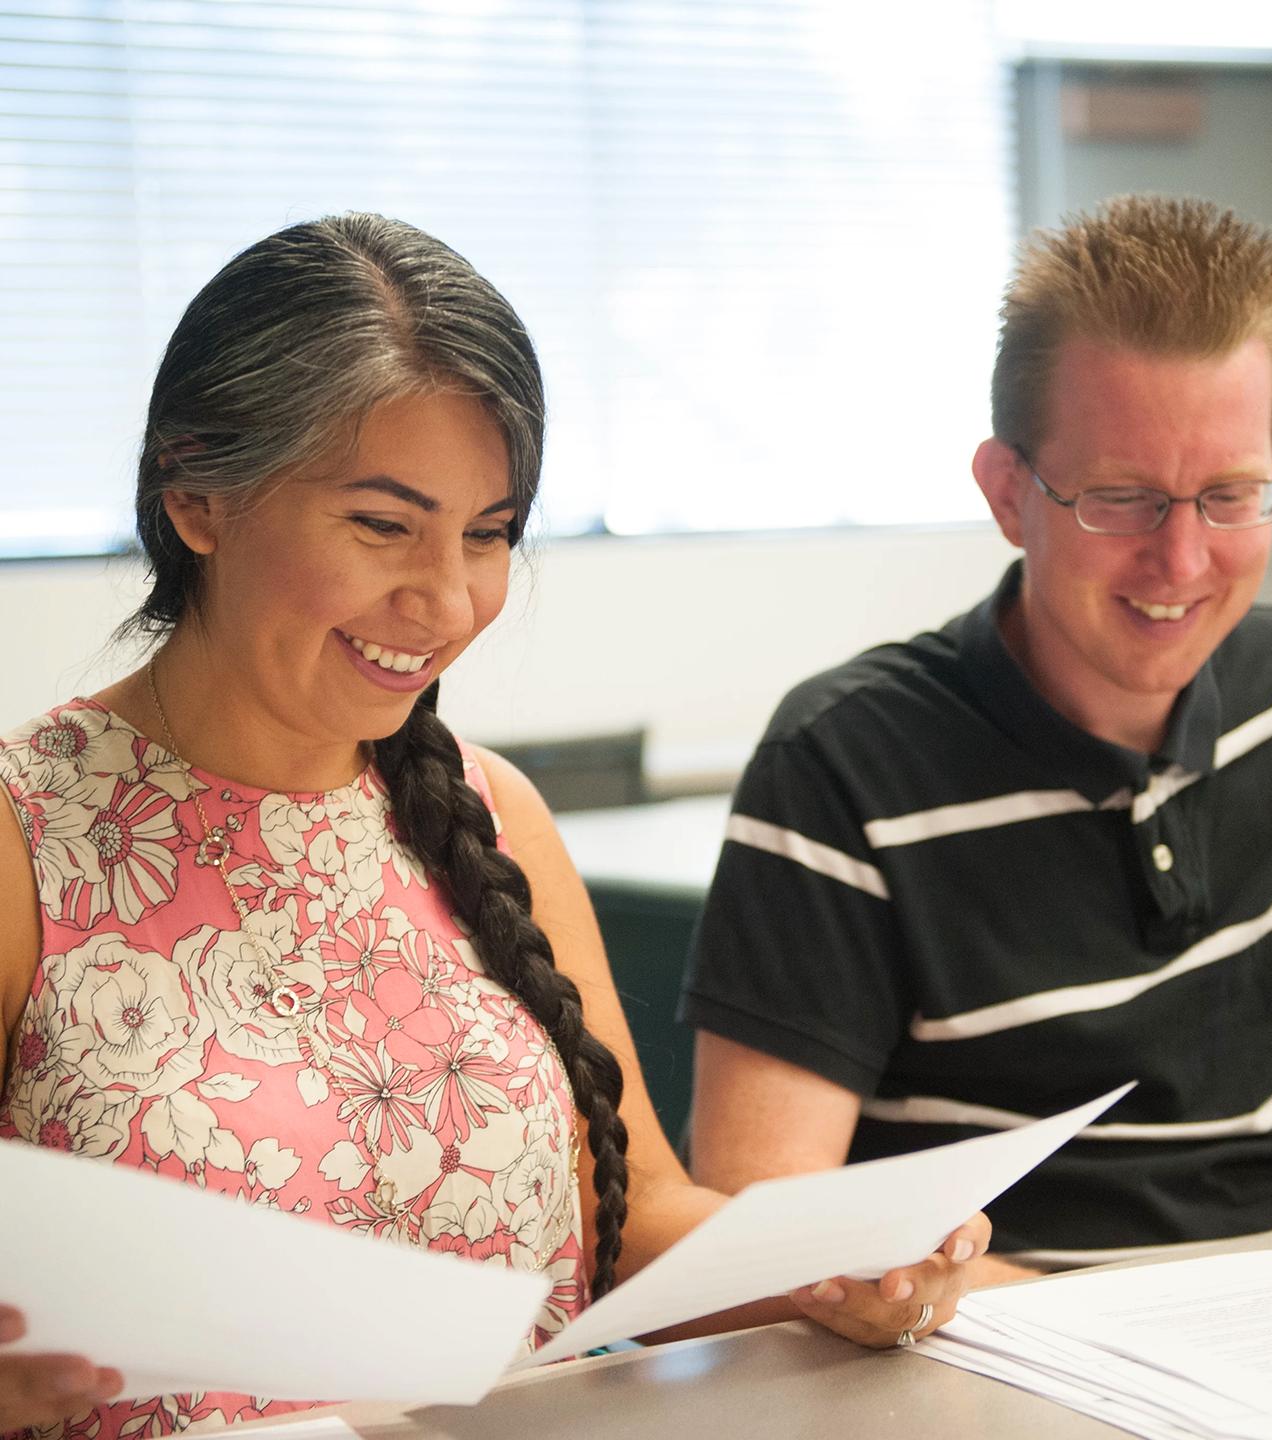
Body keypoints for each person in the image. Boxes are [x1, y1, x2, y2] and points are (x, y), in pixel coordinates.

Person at [0, 214, 989, 1438]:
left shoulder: (494, 812)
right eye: (381, 525)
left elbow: (635, 1225)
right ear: (197, 493)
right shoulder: (27, 834)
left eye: (489, 534)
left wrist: (844, 1271)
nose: (449, 599)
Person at [680, 194, 1272, 1286]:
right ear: (1006, 492)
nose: (1182, 564)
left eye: (1229, 495)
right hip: (1000, 1362)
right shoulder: (843, 763)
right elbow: (768, 1235)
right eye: (1123, 501)